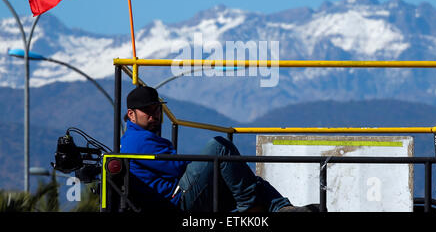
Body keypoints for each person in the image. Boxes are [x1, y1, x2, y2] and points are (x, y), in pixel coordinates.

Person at [120, 86, 320, 212]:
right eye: (147, 111)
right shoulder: (137, 140)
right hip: (176, 200)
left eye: (156, 108)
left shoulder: (139, 137)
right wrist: (207, 168)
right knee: (218, 147)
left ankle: (282, 207)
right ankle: (249, 206)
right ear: (131, 114)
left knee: (242, 175)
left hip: (179, 194)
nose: (154, 115)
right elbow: (178, 167)